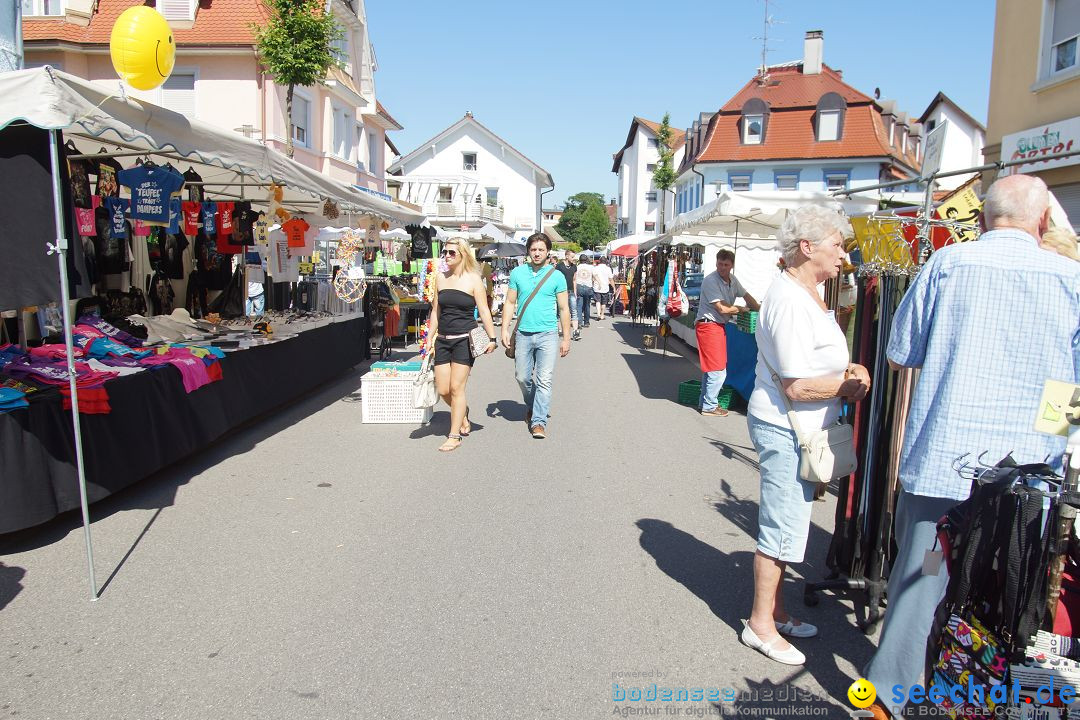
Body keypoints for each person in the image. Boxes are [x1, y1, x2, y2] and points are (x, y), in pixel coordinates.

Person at [863, 174, 1080, 718]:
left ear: (983, 218)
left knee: (921, 583)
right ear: (1043, 221)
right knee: (1014, 595)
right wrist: (1054, 439)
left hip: (945, 462)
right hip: (1032, 476)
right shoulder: (1072, 279)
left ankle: (889, 701)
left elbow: (900, 353)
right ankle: (991, 703)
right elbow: (1074, 386)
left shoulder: (946, 264)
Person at [741, 205, 871, 666]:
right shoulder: (792, 299)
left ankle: (775, 613)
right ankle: (759, 625)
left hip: (798, 426)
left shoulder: (808, 291)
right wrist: (849, 384)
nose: (843, 255)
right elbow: (796, 386)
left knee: (788, 521)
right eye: (837, 244)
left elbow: (813, 364)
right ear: (807, 246)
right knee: (781, 526)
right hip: (785, 425)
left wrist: (846, 370)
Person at [426, 239, 498, 452]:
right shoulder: (440, 278)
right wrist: (430, 337)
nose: (446, 256)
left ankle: (454, 435)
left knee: (457, 388)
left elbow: (484, 310)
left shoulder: (474, 279)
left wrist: (492, 338)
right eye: (444, 252)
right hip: (443, 340)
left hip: (464, 339)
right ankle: (462, 413)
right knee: (443, 389)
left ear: (463, 255)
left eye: (451, 253)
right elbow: (436, 311)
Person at [501, 232, 571, 439]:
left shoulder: (557, 276)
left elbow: (564, 308)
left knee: (544, 380)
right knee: (522, 377)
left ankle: (539, 421)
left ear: (548, 251)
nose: (537, 253)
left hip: (548, 334)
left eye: (541, 249)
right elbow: (510, 302)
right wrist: (504, 328)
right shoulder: (518, 273)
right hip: (523, 333)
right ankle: (533, 405)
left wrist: (566, 338)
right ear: (528, 251)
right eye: (533, 249)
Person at [695, 249, 760, 417]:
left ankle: (704, 401)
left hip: (718, 326)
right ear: (716, 263)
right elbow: (722, 308)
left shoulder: (733, 280)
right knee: (718, 368)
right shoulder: (711, 281)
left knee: (713, 367)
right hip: (709, 325)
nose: (722, 267)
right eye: (720, 264)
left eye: (726, 264)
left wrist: (761, 310)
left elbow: (746, 296)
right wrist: (740, 309)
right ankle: (709, 406)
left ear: (732, 265)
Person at [556, 251, 580, 340]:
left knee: (574, 311)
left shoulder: (574, 267)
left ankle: (575, 331)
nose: (574, 259)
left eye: (574, 257)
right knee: (559, 311)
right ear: (566, 256)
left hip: (571, 292)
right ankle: (560, 330)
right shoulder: (559, 266)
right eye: (572, 257)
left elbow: (574, 280)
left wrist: (575, 292)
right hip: (561, 292)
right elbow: (556, 279)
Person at [591, 257, 614, 321]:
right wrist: (614, 287)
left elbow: (593, 277)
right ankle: (602, 315)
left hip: (597, 287)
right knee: (604, 303)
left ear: (599, 261)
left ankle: (598, 314)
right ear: (606, 262)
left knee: (597, 301)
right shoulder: (608, 269)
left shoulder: (595, 268)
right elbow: (611, 279)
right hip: (605, 288)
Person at [574, 258, 594, 329]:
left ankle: (579, 322)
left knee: (579, 306)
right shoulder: (591, 267)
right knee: (587, 305)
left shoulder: (577, 267)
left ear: (580, 260)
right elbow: (594, 276)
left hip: (579, 286)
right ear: (586, 260)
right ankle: (586, 322)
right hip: (588, 286)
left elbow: (574, 277)